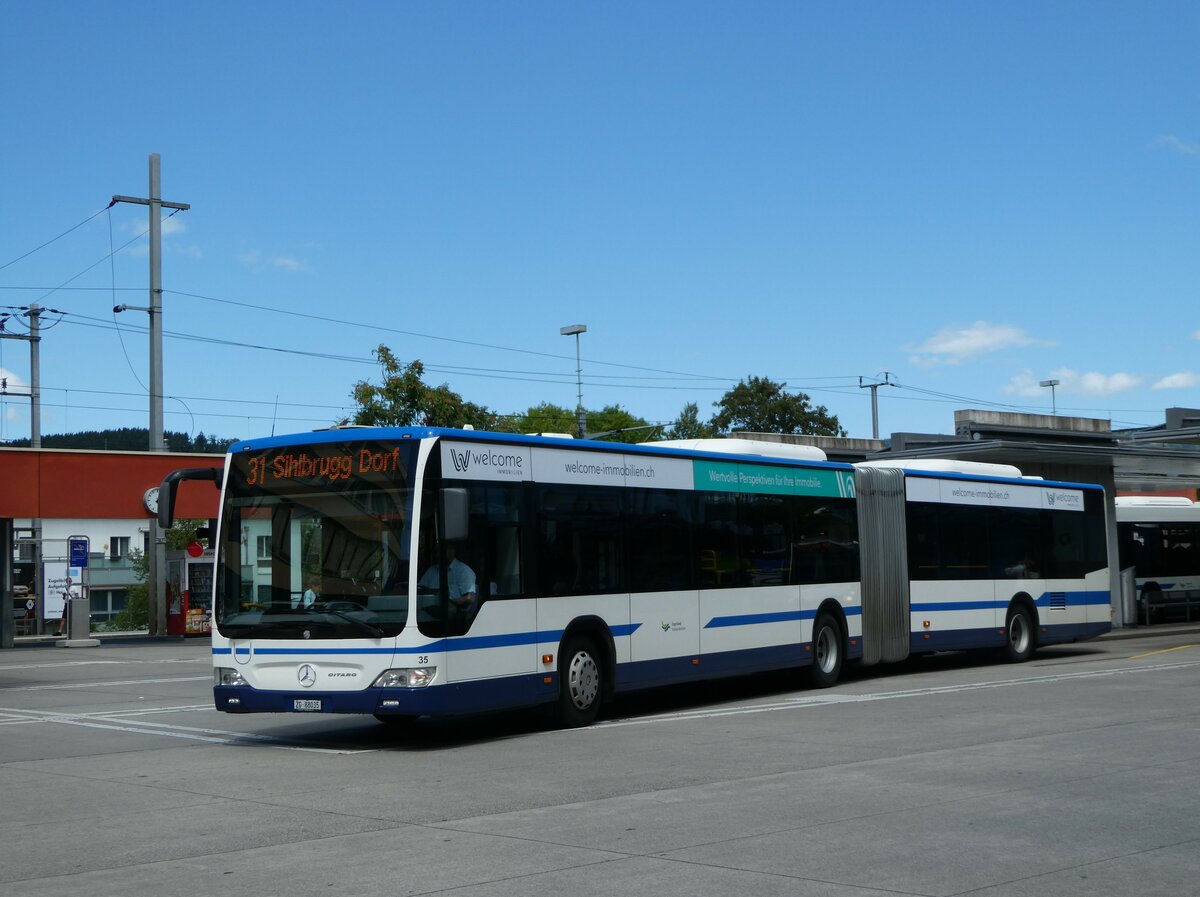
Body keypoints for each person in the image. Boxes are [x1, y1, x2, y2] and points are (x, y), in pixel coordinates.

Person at [418, 543, 477, 612]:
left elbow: (470, 597)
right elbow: (420, 589)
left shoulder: (464, 571)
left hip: (453, 615)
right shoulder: (432, 570)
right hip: (428, 612)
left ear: (452, 551)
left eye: (441, 551)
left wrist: (451, 602)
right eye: (436, 551)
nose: (438, 554)